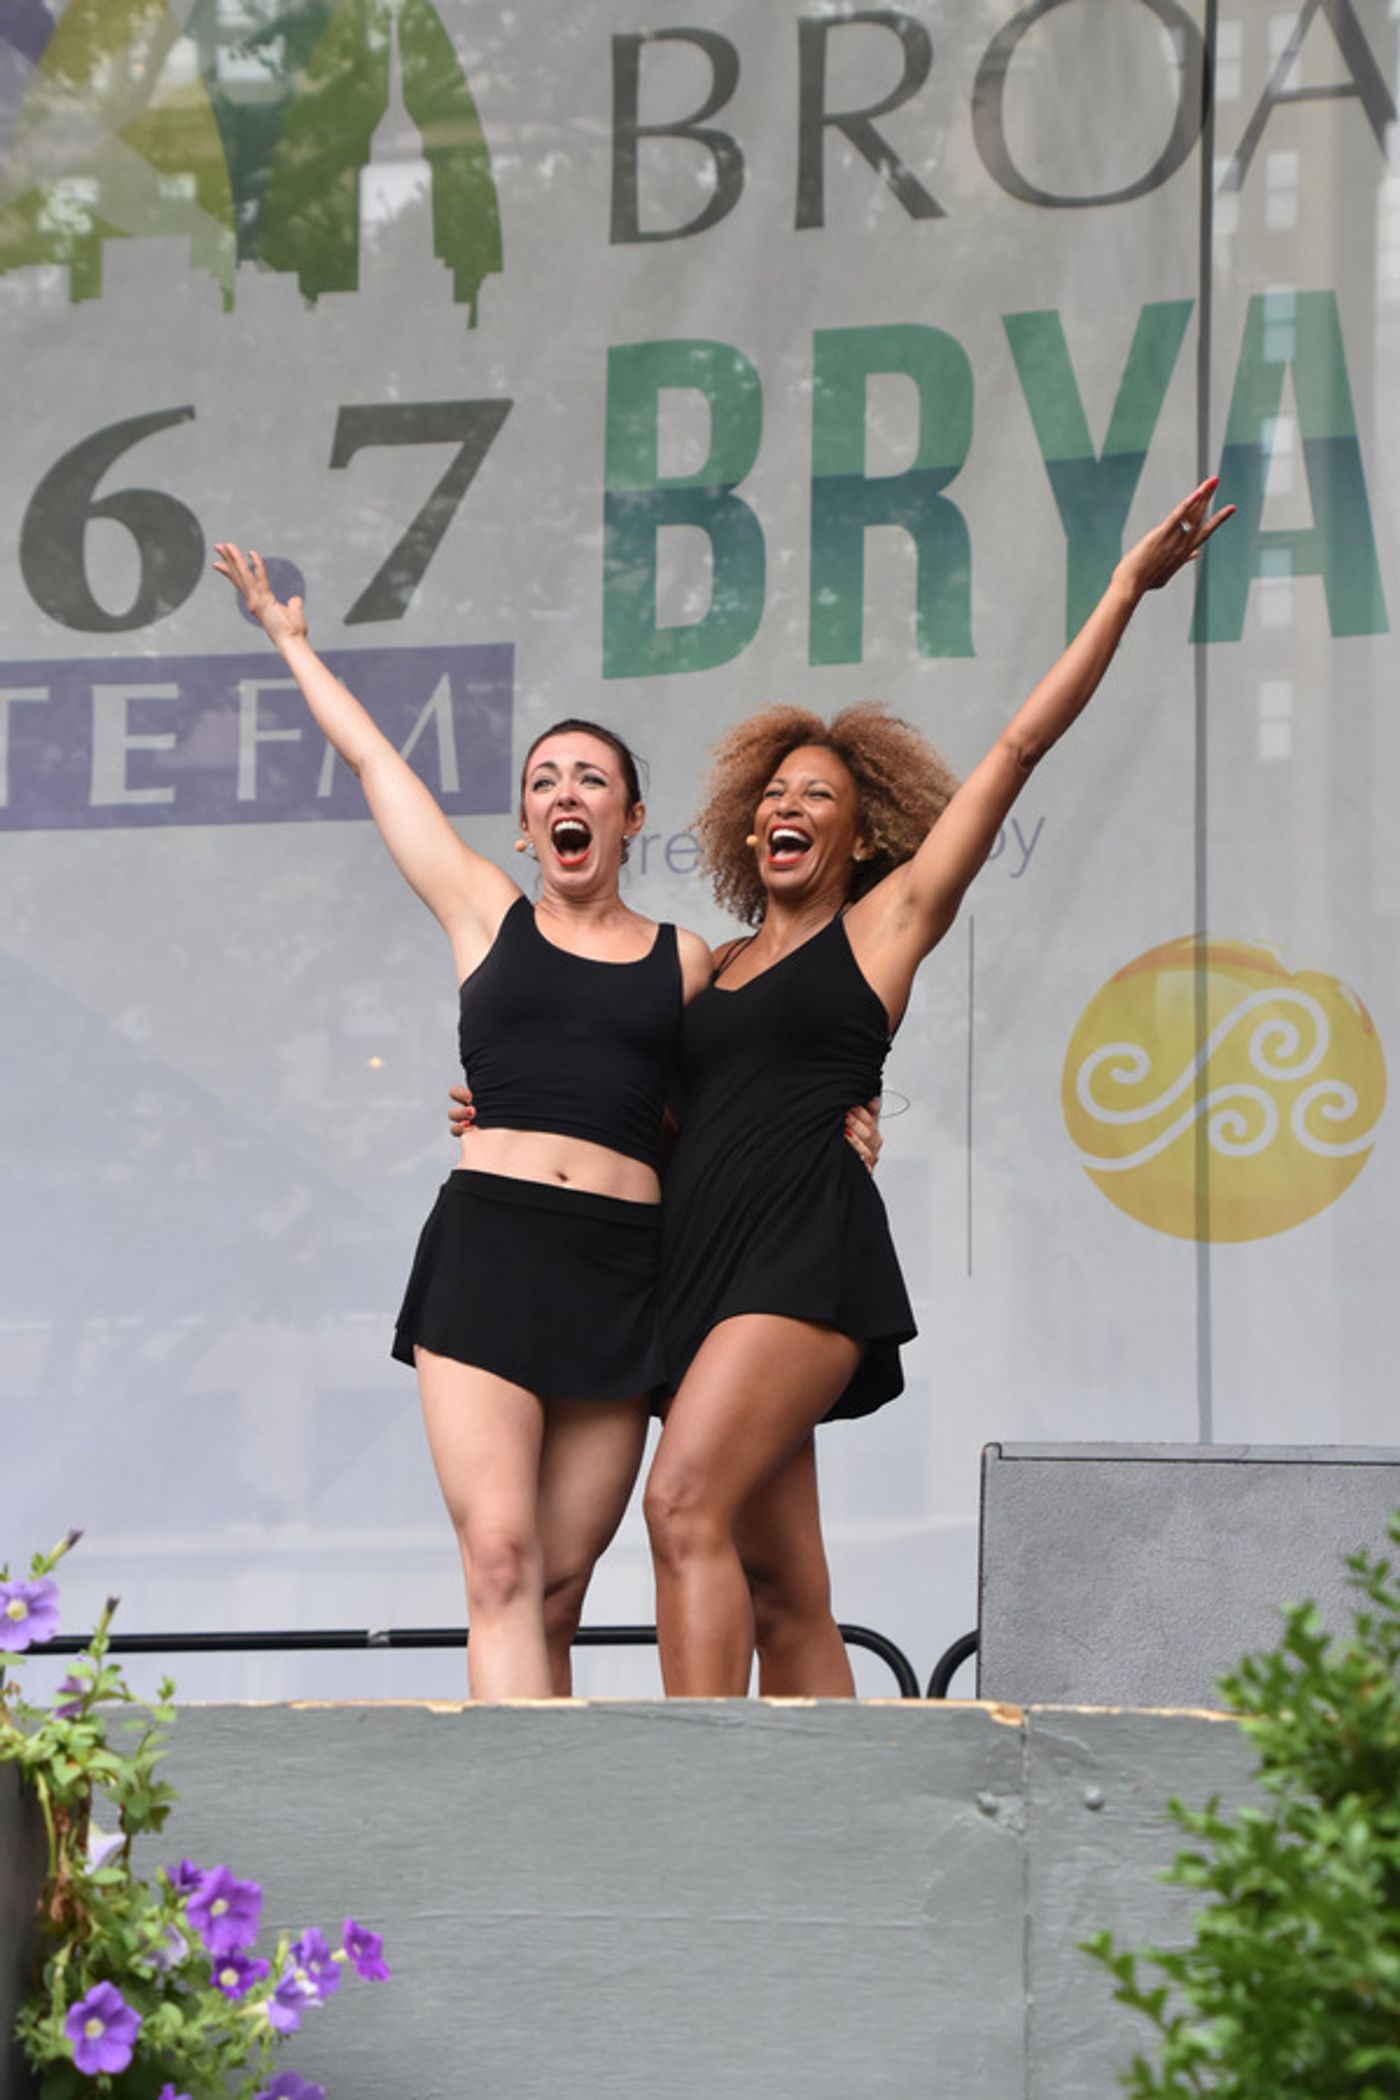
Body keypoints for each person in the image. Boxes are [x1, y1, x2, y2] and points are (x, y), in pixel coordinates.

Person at [212, 543, 877, 1699]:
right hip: (489, 1255)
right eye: (543, 782)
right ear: (525, 826)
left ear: (630, 819)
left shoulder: (686, 961)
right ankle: (511, 1846)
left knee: (562, 1586)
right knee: (504, 1563)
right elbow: (375, 764)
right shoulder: (484, 914)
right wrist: (291, 643)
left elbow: (759, 1071)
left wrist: (850, 1120)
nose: (564, 795)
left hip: (620, 1278)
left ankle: (562, 1844)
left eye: (590, 781)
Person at [643, 477, 1234, 1696]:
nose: (785, 807)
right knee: (784, 1589)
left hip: (801, 1256)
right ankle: (841, 1846)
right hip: (698, 1264)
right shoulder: (704, 968)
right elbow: (635, 1099)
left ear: (860, 838)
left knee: (682, 1500)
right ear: (745, 830)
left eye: (816, 795)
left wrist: (1124, 590)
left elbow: (1015, 747)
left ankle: (684, 1806)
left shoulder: (884, 928)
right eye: (772, 794)